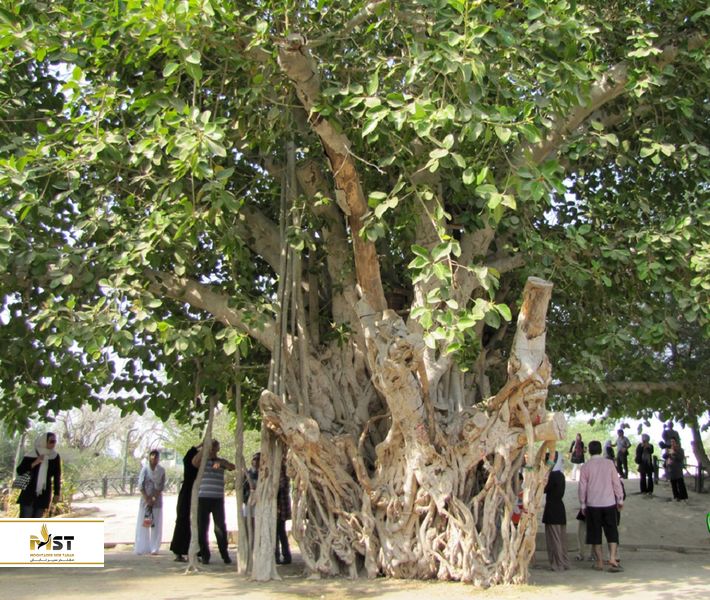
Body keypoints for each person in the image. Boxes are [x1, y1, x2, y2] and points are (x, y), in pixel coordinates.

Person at [578, 440, 624, 572]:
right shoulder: (609, 464)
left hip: (593, 504)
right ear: (600, 450)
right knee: (612, 531)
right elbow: (616, 482)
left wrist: (583, 504)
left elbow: (582, 487)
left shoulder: (585, 466)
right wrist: (620, 499)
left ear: (589, 451)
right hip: (609, 502)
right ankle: (613, 558)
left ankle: (599, 562)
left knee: (595, 533)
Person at [193, 440, 235, 565]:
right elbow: (194, 462)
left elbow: (232, 467)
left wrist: (221, 463)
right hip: (203, 497)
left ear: (217, 449)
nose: (212, 450)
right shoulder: (202, 462)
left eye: (214, 447)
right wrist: (203, 449)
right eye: (210, 448)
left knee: (220, 527)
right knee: (202, 527)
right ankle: (205, 555)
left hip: (217, 499)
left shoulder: (221, 462)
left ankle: (224, 553)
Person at [169, 442, 203, 562]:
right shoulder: (190, 464)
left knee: (195, 522)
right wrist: (201, 445)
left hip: (195, 493)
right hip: (187, 494)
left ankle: (192, 551)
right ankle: (179, 550)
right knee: (183, 520)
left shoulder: (200, 467)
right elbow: (189, 455)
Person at [16, 433, 61, 518]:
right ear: (44, 441)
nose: (53, 444)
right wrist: (35, 463)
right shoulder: (31, 454)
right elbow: (20, 470)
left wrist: (57, 493)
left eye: (55, 441)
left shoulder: (55, 456)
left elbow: (57, 476)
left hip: (44, 493)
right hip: (29, 492)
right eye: (51, 441)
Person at [134, 449, 166, 555]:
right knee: (145, 524)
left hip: (156, 502)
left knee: (156, 525)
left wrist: (154, 498)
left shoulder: (161, 470)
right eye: (152, 457)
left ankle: (154, 547)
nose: (154, 459)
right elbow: (141, 485)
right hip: (145, 502)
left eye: (156, 457)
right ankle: (143, 546)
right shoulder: (145, 469)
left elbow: (161, 486)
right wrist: (147, 499)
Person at [542, 451, 569, 571]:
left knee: (554, 539)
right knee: (561, 538)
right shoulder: (561, 475)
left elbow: (543, 489)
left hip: (552, 509)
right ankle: (564, 562)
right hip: (560, 508)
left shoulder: (552, 476)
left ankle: (558, 563)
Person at [275, 459, 292, 565]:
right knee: (280, 532)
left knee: (279, 533)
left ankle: (281, 556)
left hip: (280, 507)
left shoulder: (281, 473)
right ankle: (283, 555)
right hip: (281, 507)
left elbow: (279, 489)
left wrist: (278, 508)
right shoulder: (283, 472)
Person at [242, 452, 260, 549]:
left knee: (257, 524)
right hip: (248, 502)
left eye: (258, 459)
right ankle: (249, 546)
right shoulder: (247, 474)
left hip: (259, 503)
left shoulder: (263, 474)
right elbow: (243, 488)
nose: (256, 461)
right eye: (254, 459)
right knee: (248, 523)